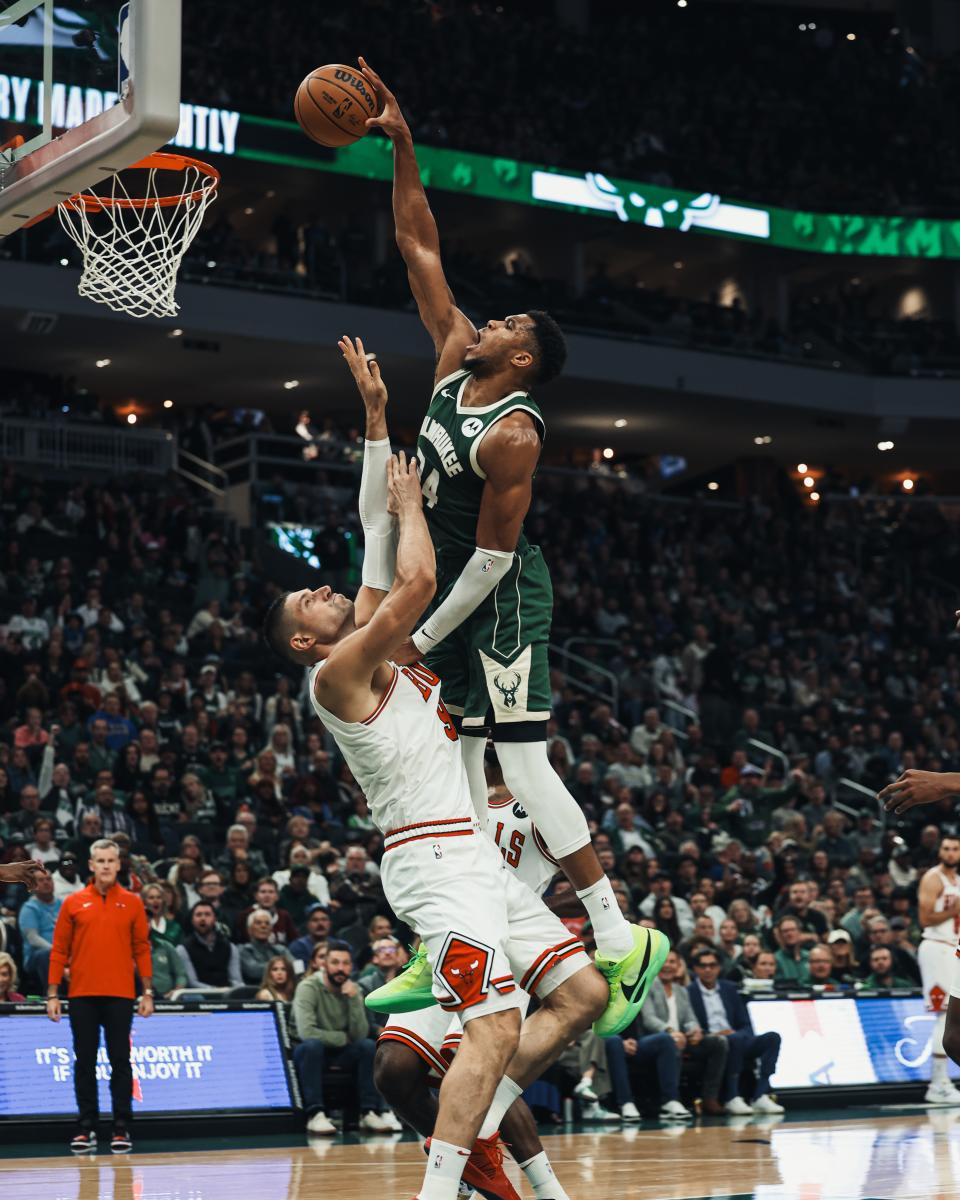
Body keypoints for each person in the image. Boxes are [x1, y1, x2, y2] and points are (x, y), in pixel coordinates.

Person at [261, 373, 619, 1200]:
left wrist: (380, 424)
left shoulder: (379, 652)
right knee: (493, 1025)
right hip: (432, 863)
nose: (323, 591)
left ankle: (479, 1120)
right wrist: (419, 507)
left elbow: (372, 527)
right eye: (307, 602)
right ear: (307, 645)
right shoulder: (340, 675)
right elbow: (415, 579)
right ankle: (447, 1179)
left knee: (583, 993)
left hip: (475, 858)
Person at [358, 57, 654, 1037]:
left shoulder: (514, 432)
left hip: (500, 597)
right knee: (452, 767)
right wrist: (403, 140)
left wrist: (412, 629)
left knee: (521, 767)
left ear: (522, 357)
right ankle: (459, 948)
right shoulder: (452, 362)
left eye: (512, 322)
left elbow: (488, 561)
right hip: (441, 594)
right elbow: (416, 242)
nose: (491, 319)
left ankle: (617, 937)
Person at [47, 838, 153, 1154]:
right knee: (84, 1062)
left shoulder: (133, 902)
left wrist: (147, 992)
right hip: (82, 995)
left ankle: (121, 1126)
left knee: (121, 1060)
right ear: (91, 865)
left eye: (111, 860)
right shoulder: (73, 902)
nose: (106, 866)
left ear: (119, 864)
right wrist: (53, 994)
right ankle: (86, 1127)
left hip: (121, 995)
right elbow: (59, 950)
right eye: (100, 861)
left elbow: (142, 949)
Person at [292, 940, 399, 1134]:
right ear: (324, 965)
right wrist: (342, 1037)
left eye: (345, 963)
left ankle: (368, 1113)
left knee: (367, 1046)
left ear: (351, 966)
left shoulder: (354, 990)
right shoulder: (307, 987)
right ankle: (315, 1114)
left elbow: (359, 1033)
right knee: (311, 1046)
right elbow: (306, 1032)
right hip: (312, 1053)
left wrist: (353, 1000)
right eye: (335, 963)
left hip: (342, 1052)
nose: (340, 968)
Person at [688, 948, 783, 1115]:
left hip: (736, 1036)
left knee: (772, 1038)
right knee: (731, 1040)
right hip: (711, 1041)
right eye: (703, 966)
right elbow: (690, 1023)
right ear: (695, 969)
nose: (708, 970)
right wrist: (718, 1035)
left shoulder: (729, 989)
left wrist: (735, 1033)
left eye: (712, 965)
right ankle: (733, 1096)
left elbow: (745, 1023)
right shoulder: (689, 992)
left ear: (719, 967)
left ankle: (760, 1095)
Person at [634, 949, 729, 1117]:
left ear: (678, 966)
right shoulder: (646, 985)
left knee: (718, 1042)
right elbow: (649, 1020)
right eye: (664, 961)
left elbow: (690, 1019)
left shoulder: (681, 990)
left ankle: (710, 1098)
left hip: (681, 1040)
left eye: (672, 962)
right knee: (667, 1040)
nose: (668, 965)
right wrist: (671, 1032)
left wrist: (695, 1031)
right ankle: (670, 1101)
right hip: (653, 1041)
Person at [914, 834, 960, 1104]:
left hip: (953, 949)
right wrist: (953, 911)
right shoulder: (933, 878)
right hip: (936, 947)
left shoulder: (958, 881)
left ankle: (943, 1082)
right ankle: (938, 1084)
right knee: (943, 1016)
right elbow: (924, 918)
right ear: (939, 851)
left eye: (955, 849)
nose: (951, 853)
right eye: (946, 848)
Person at [177, 901, 242, 990]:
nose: (203, 918)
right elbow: (192, 982)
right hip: (198, 998)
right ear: (192, 920)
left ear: (215, 919)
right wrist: (216, 991)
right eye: (198, 915)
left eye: (207, 914)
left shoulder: (230, 947)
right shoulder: (183, 949)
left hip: (228, 996)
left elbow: (236, 980)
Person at [18, 869, 62, 986]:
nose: (46, 882)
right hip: (37, 957)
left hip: (61, 952)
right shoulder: (29, 908)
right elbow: (33, 939)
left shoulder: (63, 905)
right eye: (41, 880)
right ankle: (51, 994)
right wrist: (56, 951)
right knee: (46, 954)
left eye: (48, 879)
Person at [239, 908, 292, 985]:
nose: (263, 926)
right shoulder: (243, 950)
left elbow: (297, 967)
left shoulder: (281, 949)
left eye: (267, 923)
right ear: (249, 930)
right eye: (258, 923)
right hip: (254, 992)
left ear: (271, 930)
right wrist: (283, 968)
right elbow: (254, 972)